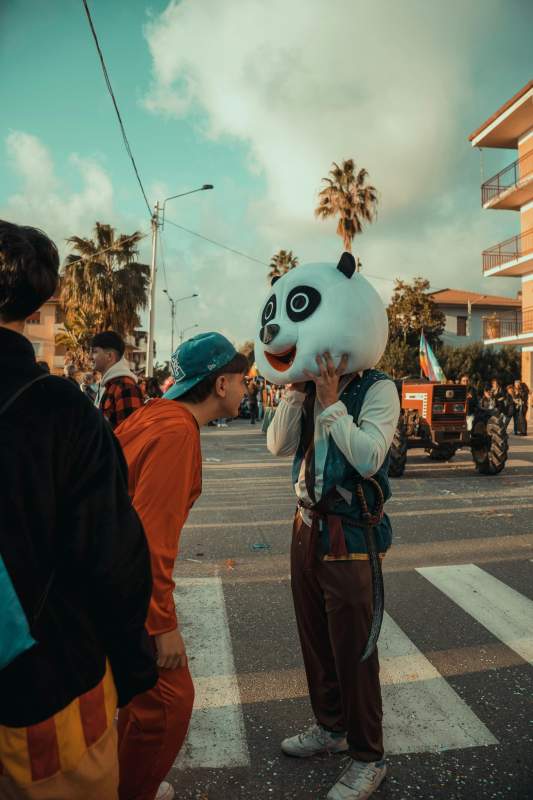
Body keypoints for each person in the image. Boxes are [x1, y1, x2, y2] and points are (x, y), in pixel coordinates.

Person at [0, 220, 157, 800]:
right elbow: (112, 560)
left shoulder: (99, 397)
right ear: (34, 303)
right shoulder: (62, 411)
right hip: (48, 701)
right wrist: (134, 666)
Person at [257, 252, 399, 800]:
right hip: (304, 525)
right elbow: (277, 446)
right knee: (314, 638)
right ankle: (330, 728)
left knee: (354, 649)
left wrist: (334, 403)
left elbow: (368, 458)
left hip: (349, 530)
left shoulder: (377, 389)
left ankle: (368, 757)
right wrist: (297, 394)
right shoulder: (304, 388)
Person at [114, 332, 248, 800]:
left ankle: (119, 780)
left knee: (141, 701)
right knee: (169, 703)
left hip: (100, 576)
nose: (246, 389)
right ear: (221, 385)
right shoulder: (177, 434)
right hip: (121, 587)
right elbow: (151, 541)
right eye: (242, 380)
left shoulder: (156, 413)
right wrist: (161, 624)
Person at [92, 331, 144, 429]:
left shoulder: (125, 386)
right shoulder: (107, 385)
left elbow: (130, 433)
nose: (91, 357)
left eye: (95, 352)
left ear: (109, 356)